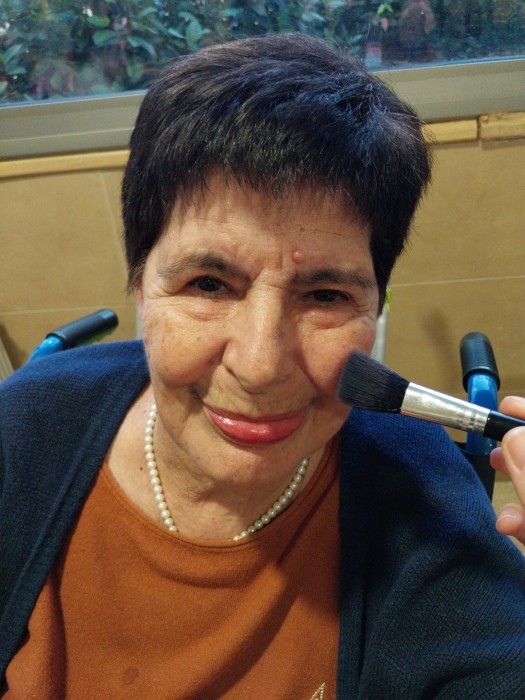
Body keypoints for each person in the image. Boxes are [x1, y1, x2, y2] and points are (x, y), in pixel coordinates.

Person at [1, 32, 524, 699]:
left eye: (326, 296)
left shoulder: (425, 506)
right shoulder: (22, 431)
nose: (259, 366)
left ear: (375, 306)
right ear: (139, 285)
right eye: (208, 285)